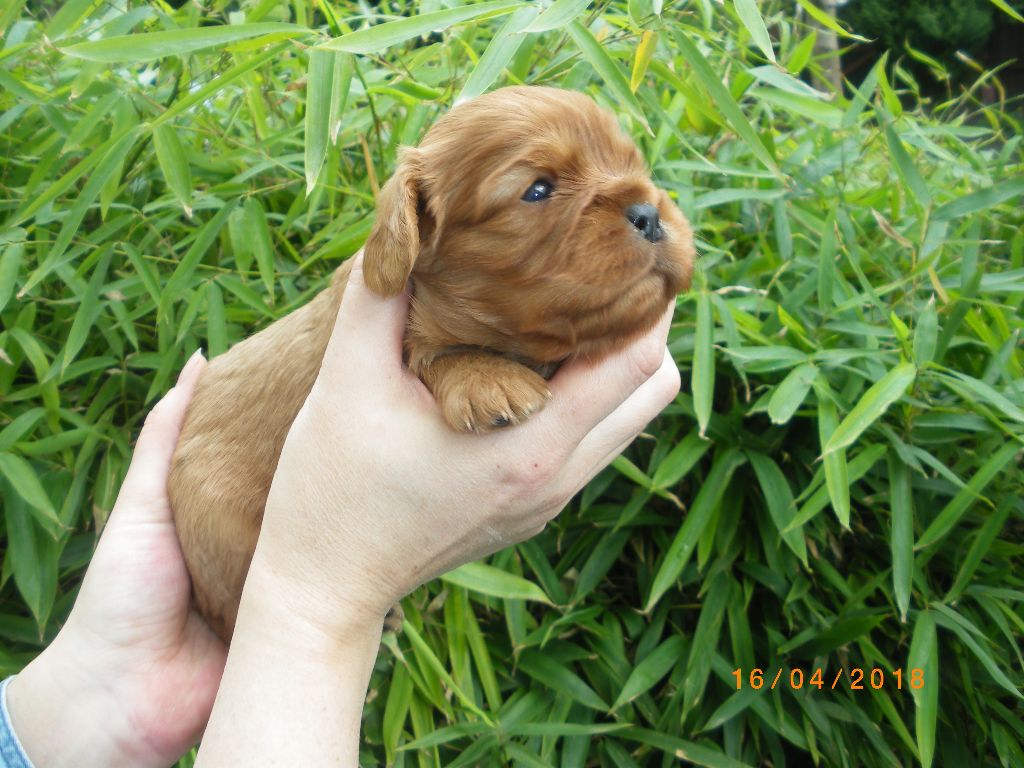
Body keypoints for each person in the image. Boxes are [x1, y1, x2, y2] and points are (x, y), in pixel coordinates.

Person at [2, 253, 681, 766]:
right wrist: (322, 605)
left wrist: (112, 691)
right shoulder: (403, 292)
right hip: (232, 509)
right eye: (535, 192)